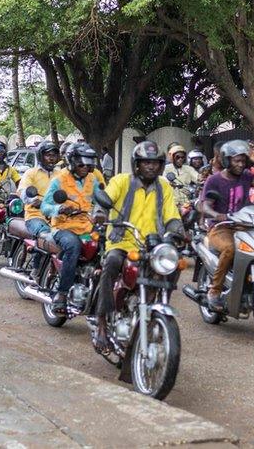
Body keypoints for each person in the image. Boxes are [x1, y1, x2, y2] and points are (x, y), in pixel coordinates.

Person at [91, 141, 181, 353]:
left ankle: (151, 303)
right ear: (136, 164)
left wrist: (179, 230)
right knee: (111, 263)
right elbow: (106, 200)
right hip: (122, 241)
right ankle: (102, 323)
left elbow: (171, 215)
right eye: (145, 162)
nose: (150, 167)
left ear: (160, 166)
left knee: (174, 265)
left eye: (155, 163)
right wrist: (100, 214)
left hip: (152, 244)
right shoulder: (121, 181)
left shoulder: (164, 187)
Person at [200, 140, 254, 311]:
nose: (241, 164)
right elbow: (205, 205)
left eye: (243, 161)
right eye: (236, 161)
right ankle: (214, 291)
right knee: (230, 249)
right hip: (221, 227)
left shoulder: (247, 176)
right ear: (226, 161)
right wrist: (216, 215)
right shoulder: (214, 180)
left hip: (245, 224)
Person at [41, 144, 102, 311]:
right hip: (63, 227)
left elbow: (101, 200)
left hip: (87, 227)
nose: (85, 168)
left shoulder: (92, 180)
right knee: (73, 246)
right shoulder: (59, 180)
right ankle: (62, 293)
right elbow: (45, 206)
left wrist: (103, 211)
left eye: (88, 165)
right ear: (72, 162)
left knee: (108, 246)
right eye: (82, 164)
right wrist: (59, 208)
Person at [17, 141, 60, 238]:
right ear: (41, 157)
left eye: (54, 155)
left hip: (58, 216)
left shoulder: (61, 174)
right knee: (46, 236)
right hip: (35, 216)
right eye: (48, 155)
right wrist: (33, 200)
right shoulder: (31, 173)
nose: (51, 158)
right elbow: (22, 191)